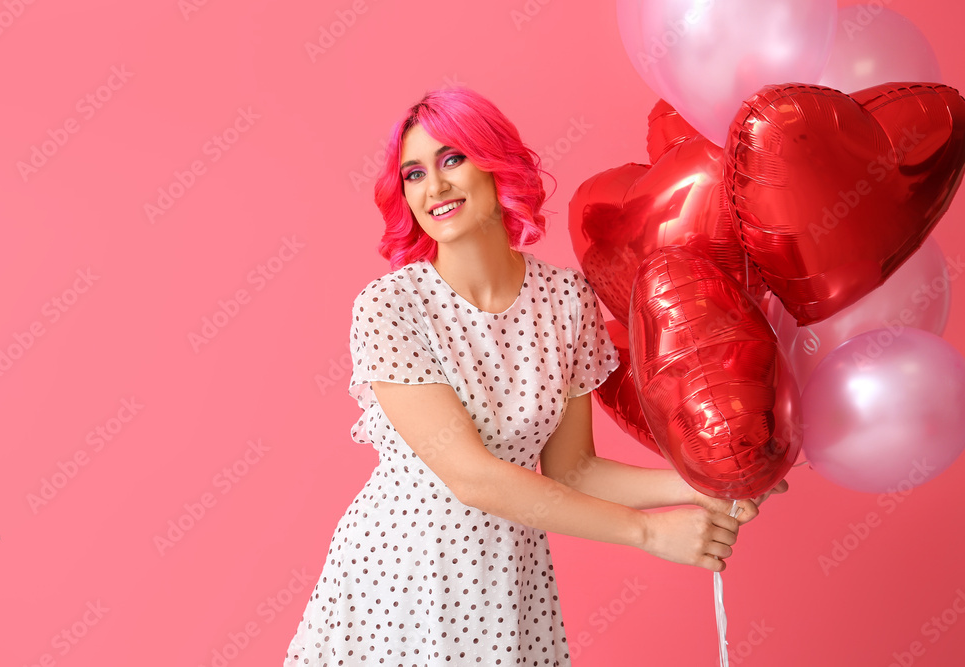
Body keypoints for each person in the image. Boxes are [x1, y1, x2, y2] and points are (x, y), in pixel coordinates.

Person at [282, 86, 787, 666]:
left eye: (452, 160)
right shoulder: (391, 307)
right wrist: (650, 534)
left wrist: (701, 486)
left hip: (509, 586)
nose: (435, 186)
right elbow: (473, 477)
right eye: (413, 174)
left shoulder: (565, 300)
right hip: (402, 580)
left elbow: (573, 469)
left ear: (495, 165)